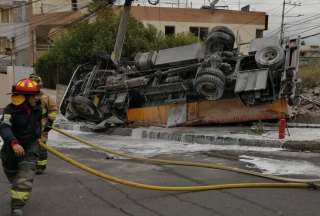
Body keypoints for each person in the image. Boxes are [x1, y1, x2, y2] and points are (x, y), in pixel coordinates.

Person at [0, 78, 42, 216]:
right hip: (12, 147)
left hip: (30, 146)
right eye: (35, 95)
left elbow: (37, 125)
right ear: (25, 97)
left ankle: (16, 207)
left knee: (25, 175)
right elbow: (5, 127)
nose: (37, 98)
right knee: (12, 174)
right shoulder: (9, 110)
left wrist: (38, 136)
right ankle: (17, 188)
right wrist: (13, 142)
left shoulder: (37, 108)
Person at [29, 74, 57, 174]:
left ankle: (40, 166)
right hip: (27, 126)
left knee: (41, 146)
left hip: (42, 125)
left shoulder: (45, 97)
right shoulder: (25, 96)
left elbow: (53, 110)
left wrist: (50, 122)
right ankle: (29, 164)